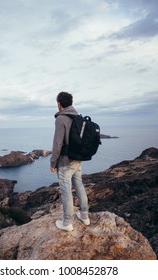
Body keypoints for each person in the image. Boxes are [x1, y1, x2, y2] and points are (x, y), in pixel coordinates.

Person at [50, 91, 90, 232]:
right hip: (77, 159)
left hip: (65, 161)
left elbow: (57, 143)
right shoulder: (77, 117)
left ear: (59, 104)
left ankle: (66, 222)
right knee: (79, 184)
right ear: (71, 103)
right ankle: (84, 215)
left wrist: (53, 162)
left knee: (66, 190)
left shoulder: (60, 119)